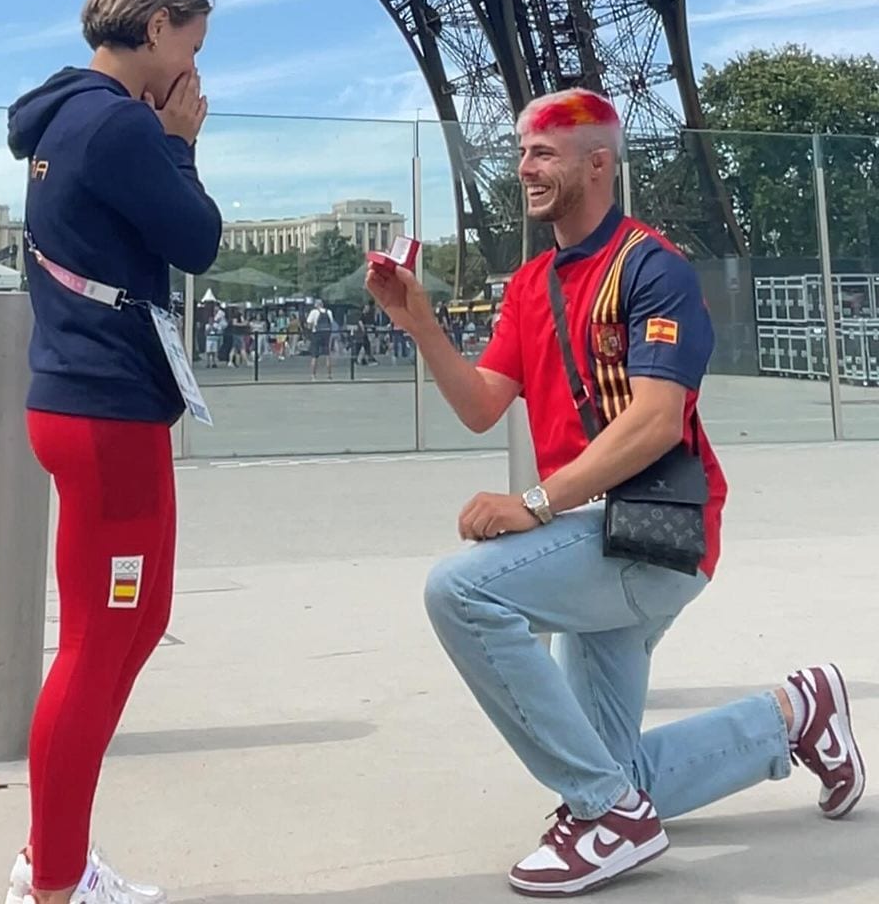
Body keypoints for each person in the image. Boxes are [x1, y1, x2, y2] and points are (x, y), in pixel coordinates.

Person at [366, 88, 865, 897]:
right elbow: (480, 407)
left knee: (459, 592)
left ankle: (608, 819)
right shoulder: (530, 284)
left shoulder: (653, 268)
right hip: (595, 531)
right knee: (616, 767)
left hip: (654, 532)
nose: (524, 167)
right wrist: (421, 322)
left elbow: (658, 422)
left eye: (543, 153)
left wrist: (531, 505)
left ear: (598, 164)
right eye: (522, 151)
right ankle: (795, 713)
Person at [2, 0, 222, 904]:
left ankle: (52, 853)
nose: (195, 71)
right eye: (195, 45)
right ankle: (53, 882)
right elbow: (199, 239)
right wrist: (180, 142)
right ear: (160, 26)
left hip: (79, 397)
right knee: (101, 640)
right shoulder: (125, 126)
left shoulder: (59, 116)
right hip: (108, 409)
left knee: (134, 622)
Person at [307, 298, 335, 380]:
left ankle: (313, 376)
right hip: (326, 334)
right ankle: (329, 375)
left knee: (314, 356)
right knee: (327, 355)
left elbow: (309, 325)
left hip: (317, 334)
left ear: (316, 305)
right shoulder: (329, 312)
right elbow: (332, 323)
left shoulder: (314, 312)